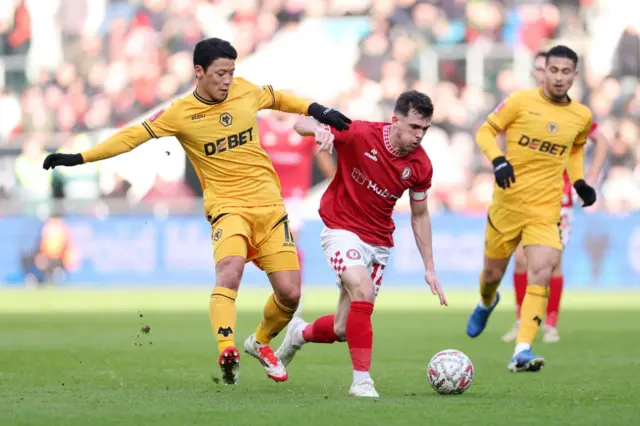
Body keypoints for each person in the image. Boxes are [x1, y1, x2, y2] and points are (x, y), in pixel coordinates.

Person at [41, 37, 351, 385]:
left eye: (231, 72)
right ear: (199, 72)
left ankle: (260, 342)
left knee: (290, 294)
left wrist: (316, 109)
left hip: (269, 206)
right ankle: (226, 347)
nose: (227, 80)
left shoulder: (245, 90)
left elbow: (279, 97)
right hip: (228, 208)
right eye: (220, 73)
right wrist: (79, 157)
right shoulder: (179, 113)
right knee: (230, 270)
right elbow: (130, 137)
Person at [274, 90, 447, 398]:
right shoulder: (359, 133)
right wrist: (317, 130)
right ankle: (362, 381)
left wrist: (430, 267)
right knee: (362, 289)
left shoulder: (421, 166)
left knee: (343, 328)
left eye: (424, 130)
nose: (419, 136)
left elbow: (420, 215)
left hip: (378, 243)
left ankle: (299, 334)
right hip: (340, 229)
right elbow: (300, 124)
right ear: (395, 121)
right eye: (414, 128)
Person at [465, 45, 597, 372]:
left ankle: (521, 350)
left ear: (574, 76)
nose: (559, 77)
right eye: (554, 70)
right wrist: (497, 160)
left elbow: (576, 149)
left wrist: (579, 182)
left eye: (566, 72)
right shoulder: (520, 101)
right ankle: (486, 301)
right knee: (492, 275)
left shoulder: (581, 115)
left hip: (545, 209)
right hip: (507, 205)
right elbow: (485, 131)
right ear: (544, 71)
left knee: (542, 269)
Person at [502, 51, 609, 344]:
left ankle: (550, 323)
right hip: (522, 194)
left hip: (557, 196)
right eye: (542, 69)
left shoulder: (573, 111)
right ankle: (522, 319)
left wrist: (588, 179)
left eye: (559, 70)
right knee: (521, 259)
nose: (548, 75)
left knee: (552, 261)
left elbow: (602, 141)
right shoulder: (522, 105)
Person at [259, 110, 336, 312]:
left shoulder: (303, 128)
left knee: (290, 242)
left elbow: (324, 160)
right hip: (266, 196)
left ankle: (295, 292)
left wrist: (337, 183)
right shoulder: (260, 127)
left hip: (294, 198)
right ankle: (282, 289)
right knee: (271, 248)